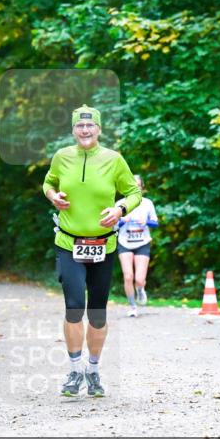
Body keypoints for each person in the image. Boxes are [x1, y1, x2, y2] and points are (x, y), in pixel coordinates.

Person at [42, 105, 141, 397]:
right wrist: (53, 196)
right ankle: (74, 371)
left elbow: (134, 192)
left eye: (90, 126)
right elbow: (48, 182)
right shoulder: (62, 157)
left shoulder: (114, 159)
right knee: (74, 306)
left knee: (97, 313)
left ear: (99, 129)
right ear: (73, 130)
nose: (85, 131)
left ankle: (93, 372)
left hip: (103, 245)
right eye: (79, 126)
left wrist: (120, 207)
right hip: (69, 243)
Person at [117, 175, 159, 317]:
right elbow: (113, 226)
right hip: (124, 243)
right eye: (132, 186)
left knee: (139, 279)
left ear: (142, 188)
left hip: (142, 243)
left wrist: (146, 221)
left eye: (138, 186)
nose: (135, 188)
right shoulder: (120, 204)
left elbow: (156, 223)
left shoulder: (147, 203)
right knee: (128, 276)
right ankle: (133, 306)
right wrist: (124, 220)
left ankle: (140, 290)